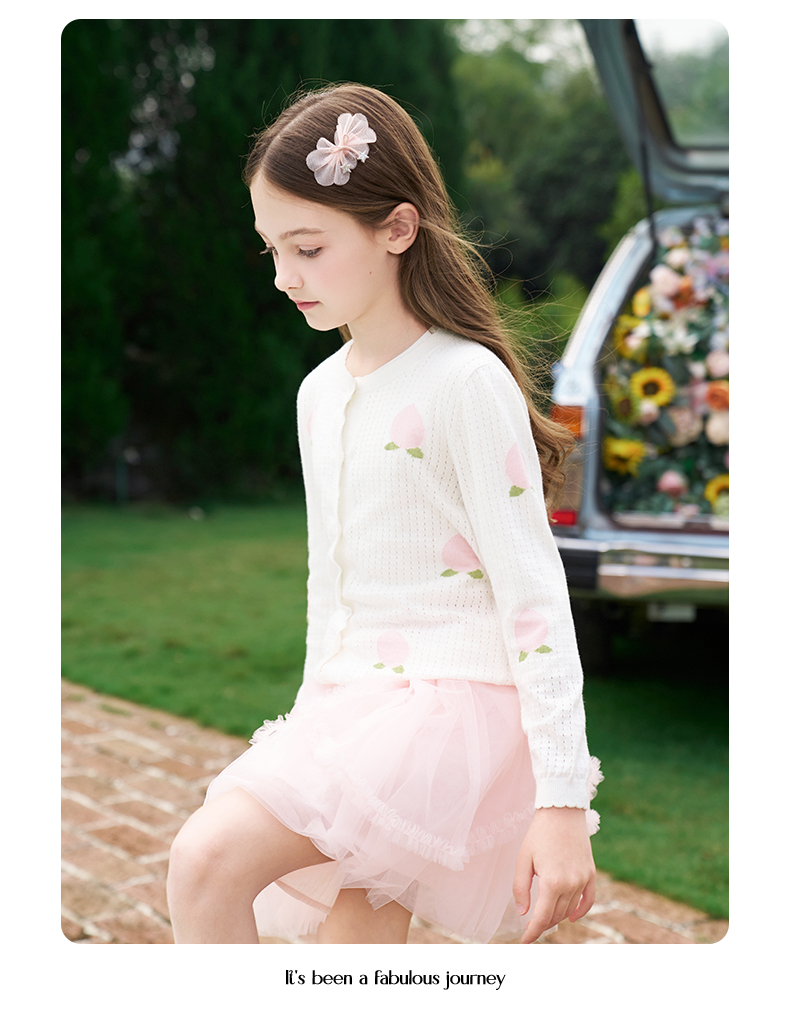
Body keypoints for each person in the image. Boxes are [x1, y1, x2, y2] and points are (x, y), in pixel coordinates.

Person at [166, 83, 602, 946]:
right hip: (355, 707)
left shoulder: (465, 381)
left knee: (205, 859)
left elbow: (533, 593)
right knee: (347, 956)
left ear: (397, 229)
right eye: (271, 250)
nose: (284, 277)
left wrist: (560, 801)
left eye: (308, 247)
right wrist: (309, 721)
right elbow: (329, 585)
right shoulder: (319, 394)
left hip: (452, 719)